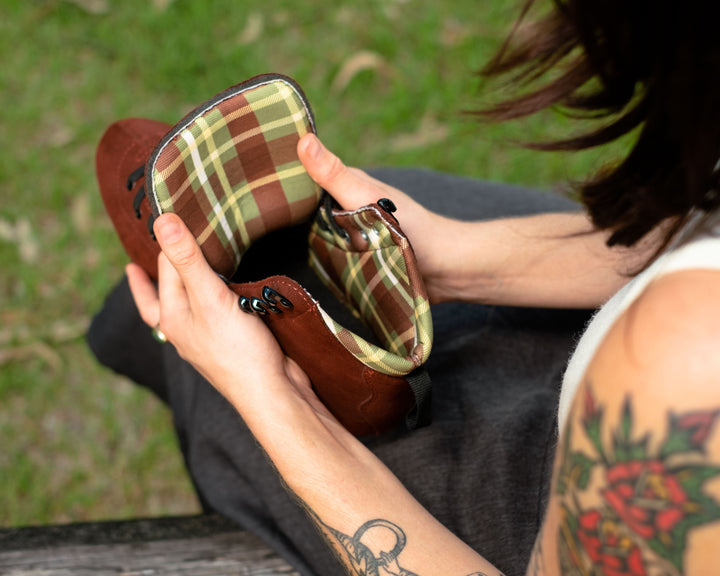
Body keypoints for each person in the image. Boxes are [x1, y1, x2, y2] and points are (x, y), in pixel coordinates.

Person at [88, 0, 720, 574]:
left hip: (556, 519)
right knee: (359, 210)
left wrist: (272, 400)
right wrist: (456, 259)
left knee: (208, 377)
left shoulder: (682, 376)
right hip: (630, 340)